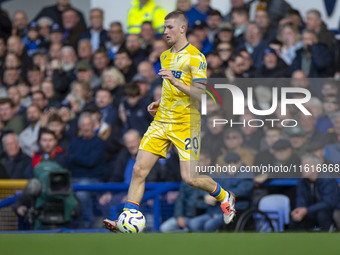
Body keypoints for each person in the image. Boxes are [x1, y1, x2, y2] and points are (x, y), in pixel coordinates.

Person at [104, 11, 236, 232]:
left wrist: (175, 81)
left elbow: (201, 94)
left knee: (190, 178)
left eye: (170, 27)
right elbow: (170, 90)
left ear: (182, 28)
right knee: (138, 170)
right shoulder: (165, 56)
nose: (165, 32)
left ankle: (225, 196)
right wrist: (159, 101)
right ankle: (127, 220)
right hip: (162, 120)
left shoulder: (196, 57)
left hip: (186, 123)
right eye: (164, 28)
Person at [291, 154, 340, 231]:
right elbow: (300, 198)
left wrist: (306, 210)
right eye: (302, 165)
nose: (302, 168)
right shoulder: (301, 181)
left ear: (317, 167)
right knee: (295, 219)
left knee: (322, 215)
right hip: (311, 211)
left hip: (329, 211)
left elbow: (328, 203)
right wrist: (299, 210)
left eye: (306, 165)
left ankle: (326, 240)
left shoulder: (328, 180)